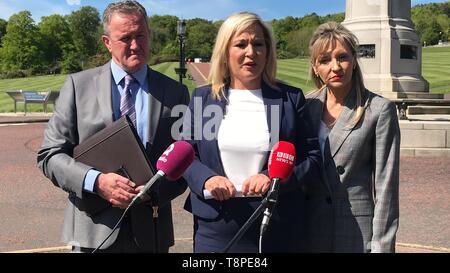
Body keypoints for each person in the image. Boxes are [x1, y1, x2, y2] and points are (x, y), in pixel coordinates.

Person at [37, 0, 189, 253]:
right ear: (107, 42)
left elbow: (185, 159)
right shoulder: (78, 86)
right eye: (125, 38)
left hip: (151, 232)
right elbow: (49, 155)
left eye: (141, 36)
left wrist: (154, 191)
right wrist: (96, 182)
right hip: (91, 231)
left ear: (149, 35)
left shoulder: (175, 92)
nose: (135, 45)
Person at [181, 12, 321, 253]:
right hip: (216, 229)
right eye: (241, 44)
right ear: (226, 51)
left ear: (267, 51)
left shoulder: (289, 98)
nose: (250, 52)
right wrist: (207, 178)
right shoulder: (204, 99)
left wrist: (273, 177)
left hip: (277, 226)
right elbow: (186, 155)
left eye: (258, 44)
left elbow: (312, 157)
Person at [304, 21, 400, 253]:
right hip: (309, 229)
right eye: (325, 60)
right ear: (315, 67)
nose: (335, 67)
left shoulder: (379, 109)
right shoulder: (306, 107)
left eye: (342, 57)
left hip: (355, 230)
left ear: (354, 61)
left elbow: (386, 187)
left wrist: (382, 247)